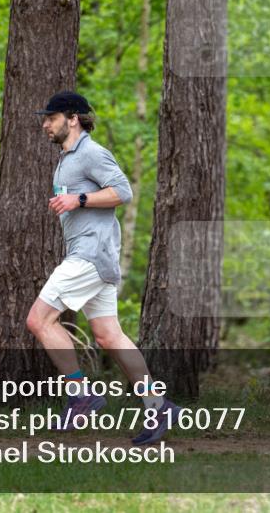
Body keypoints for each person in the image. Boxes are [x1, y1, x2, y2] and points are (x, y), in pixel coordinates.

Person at [25, 90, 179, 446]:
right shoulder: (65, 159)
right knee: (109, 336)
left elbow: (122, 191)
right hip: (99, 257)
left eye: (51, 117)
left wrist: (77, 199)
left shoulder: (91, 153)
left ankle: (82, 395)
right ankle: (158, 404)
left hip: (89, 257)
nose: (45, 124)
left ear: (73, 118)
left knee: (38, 320)